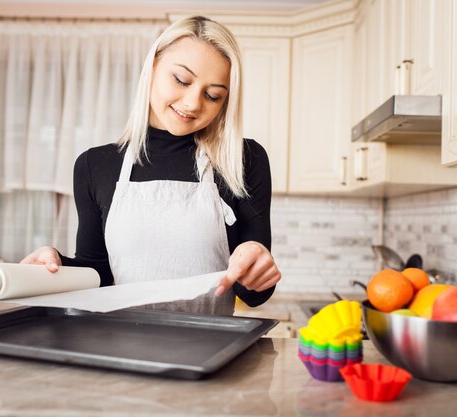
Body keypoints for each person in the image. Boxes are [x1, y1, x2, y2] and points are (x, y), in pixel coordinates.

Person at [21, 16, 281, 316]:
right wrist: (57, 264)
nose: (193, 103)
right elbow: (98, 275)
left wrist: (258, 265)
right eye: (181, 80)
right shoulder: (94, 165)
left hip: (209, 352)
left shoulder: (244, 160)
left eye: (213, 95)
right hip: (120, 348)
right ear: (153, 66)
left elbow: (253, 295)